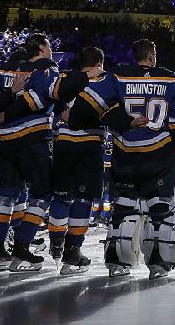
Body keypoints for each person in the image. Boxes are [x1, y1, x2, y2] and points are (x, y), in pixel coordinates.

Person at [88, 38, 175, 279]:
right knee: (160, 210)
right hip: (160, 156)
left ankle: (117, 263)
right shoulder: (170, 79)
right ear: (152, 56)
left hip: (125, 156)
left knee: (123, 210)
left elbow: (96, 107)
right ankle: (158, 264)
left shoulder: (117, 77)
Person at [46, 46, 142, 275]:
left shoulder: (64, 78)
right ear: (100, 62)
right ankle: (72, 253)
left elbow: (52, 102)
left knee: (60, 197)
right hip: (89, 145)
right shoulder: (107, 81)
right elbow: (113, 112)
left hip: (62, 144)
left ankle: (56, 242)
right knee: (83, 199)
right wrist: (127, 122)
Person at [0, 33, 59, 272]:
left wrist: (4, 101)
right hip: (32, 141)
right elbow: (44, 97)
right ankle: (22, 248)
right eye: (50, 45)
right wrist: (10, 109)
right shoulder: (47, 68)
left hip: (4, 142)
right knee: (41, 194)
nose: (51, 50)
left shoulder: (7, 71)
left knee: (5, 195)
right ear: (42, 48)